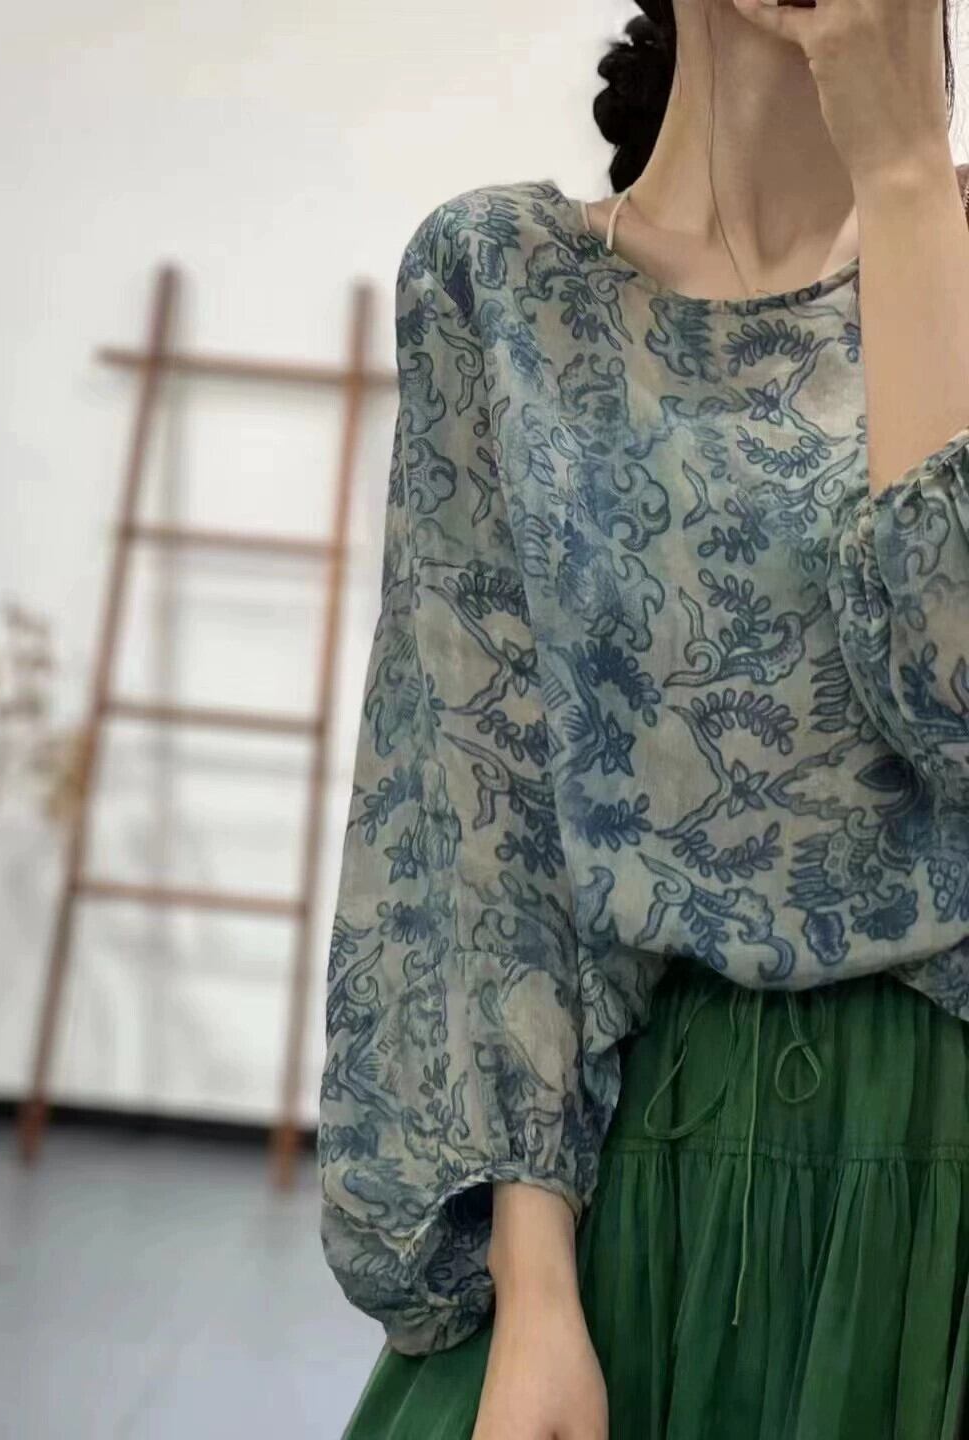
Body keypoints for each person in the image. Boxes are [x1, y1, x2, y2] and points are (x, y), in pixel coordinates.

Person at [318, 1, 969, 1435]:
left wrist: (910, 183)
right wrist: (536, 1294)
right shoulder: (502, 283)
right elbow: (483, 820)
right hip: (645, 1180)